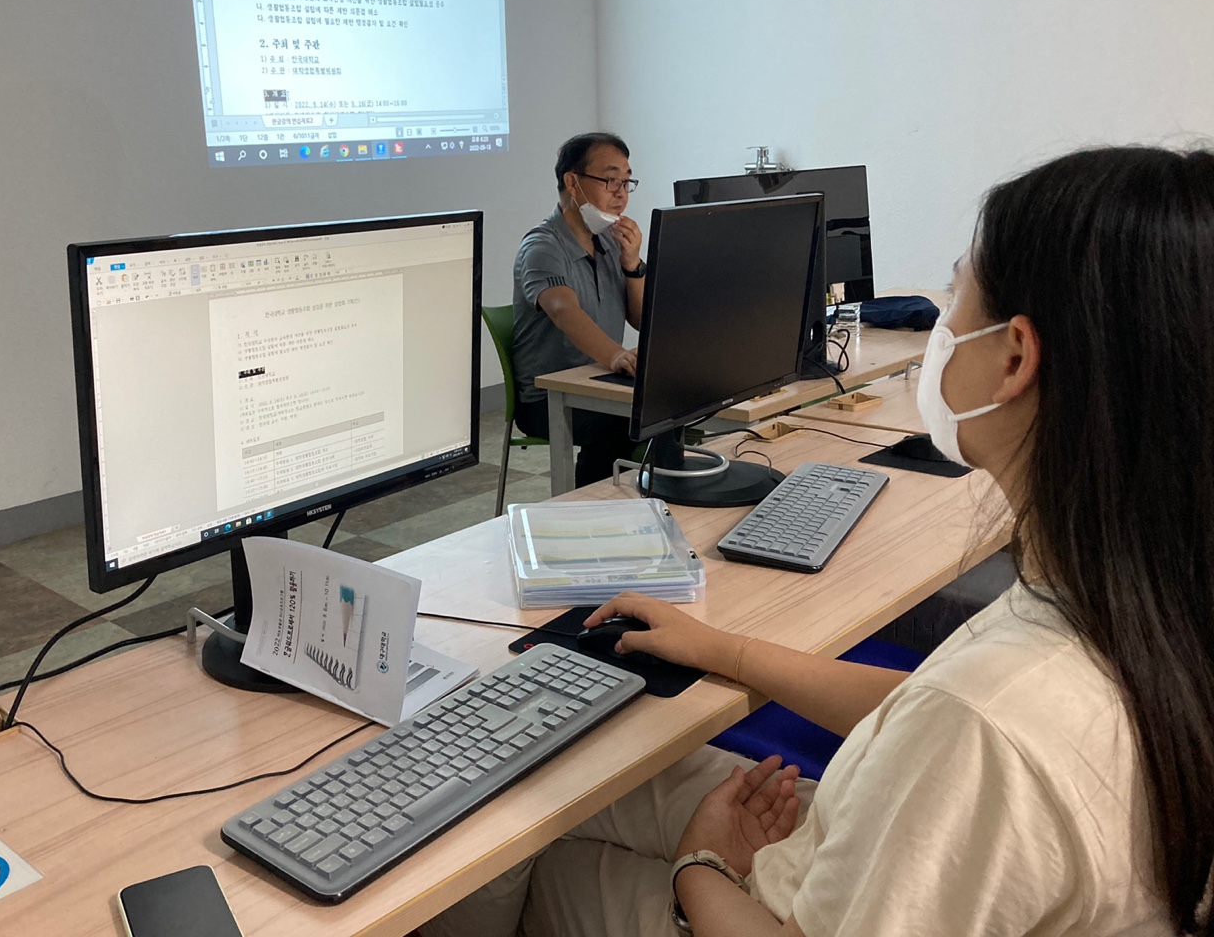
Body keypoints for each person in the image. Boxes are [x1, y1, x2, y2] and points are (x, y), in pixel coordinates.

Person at [426, 146, 1214, 936]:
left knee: (523, 845)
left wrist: (701, 869)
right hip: (874, 839)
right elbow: (922, 709)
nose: (941, 323)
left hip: (771, 905)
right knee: (558, 770)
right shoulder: (1143, 601)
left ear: (1013, 359)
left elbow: (957, 726)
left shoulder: (985, 723)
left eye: (956, 295)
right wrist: (724, 650)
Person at [511, 132, 645, 487]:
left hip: (601, 382)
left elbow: (641, 320)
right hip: (549, 396)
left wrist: (633, 265)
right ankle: (592, 507)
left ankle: (655, 499)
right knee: (621, 422)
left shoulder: (611, 242)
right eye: (611, 180)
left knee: (667, 410)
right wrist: (616, 356)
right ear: (573, 183)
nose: (621, 194)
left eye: (627, 182)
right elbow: (563, 311)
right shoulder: (542, 247)